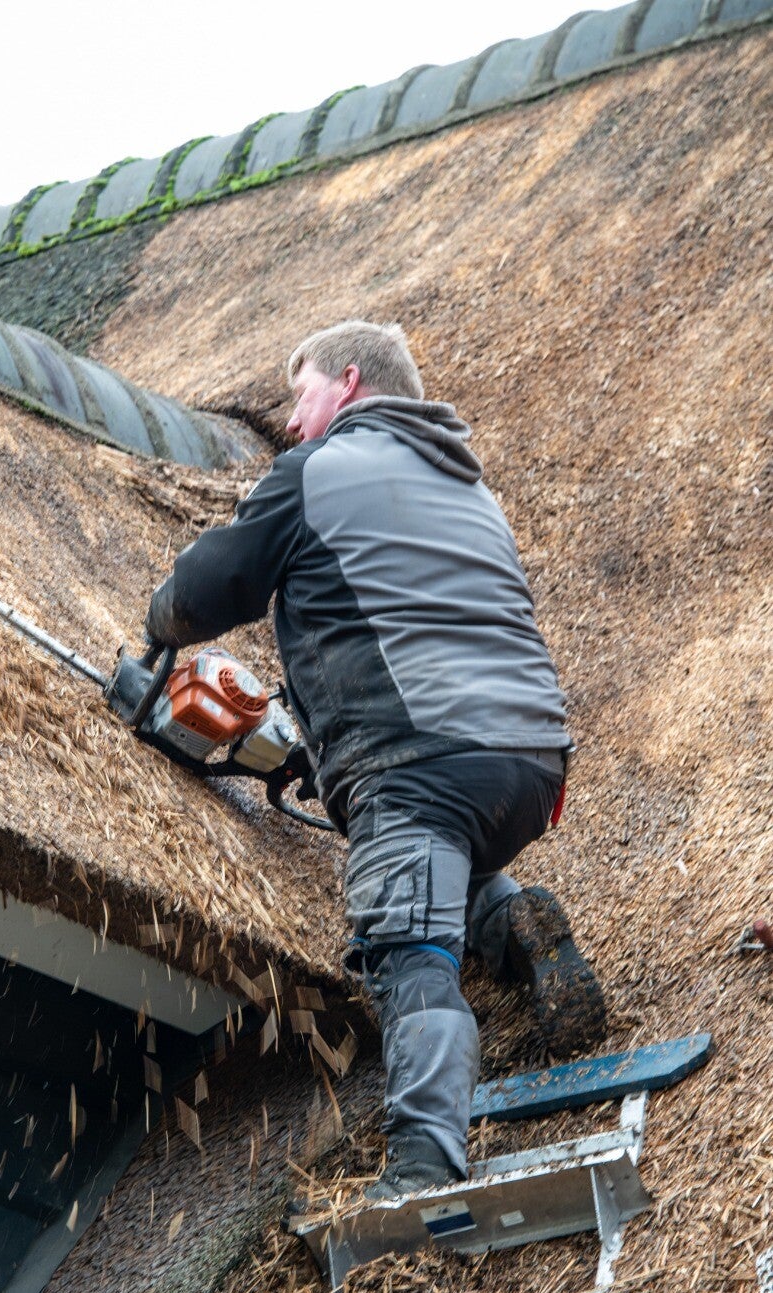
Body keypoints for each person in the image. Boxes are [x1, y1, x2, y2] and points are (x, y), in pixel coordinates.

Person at [145, 320, 605, 1198]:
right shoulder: (468, 488)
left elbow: (211, 587)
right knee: (441, 858)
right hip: (530, 766)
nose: (289, 421)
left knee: (404, 947)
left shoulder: (315, 472)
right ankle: (511, 921)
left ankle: (424, 1168)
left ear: (348, 382)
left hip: (422, 766)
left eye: (300, 393)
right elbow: (401, 632)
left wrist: (157, 624)